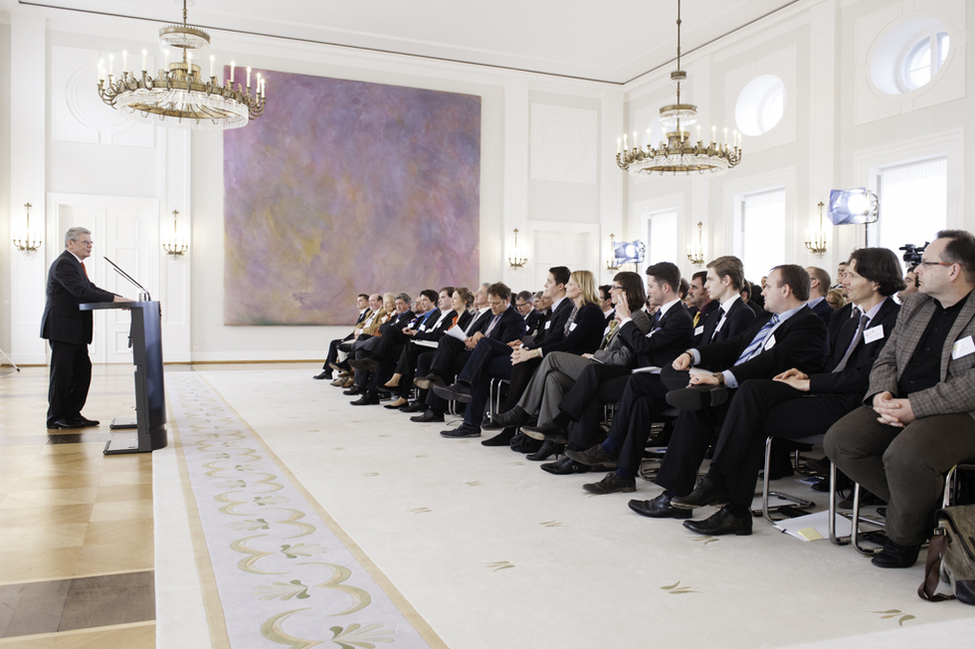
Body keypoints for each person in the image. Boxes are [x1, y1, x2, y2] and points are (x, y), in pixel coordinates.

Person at [672, 248, 903, 535]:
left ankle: (725, 493)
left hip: (856, 403)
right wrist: (807, 375)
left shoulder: (897, 318)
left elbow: (871, 374)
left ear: (876, 282)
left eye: (852, 275)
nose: (844, 280)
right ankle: (733, 508)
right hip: (823, 393)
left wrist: (812, 383)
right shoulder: (845, 315)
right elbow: (830, 364)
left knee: (749, 409)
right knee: (751, 400)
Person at [574, 265, 828, 499]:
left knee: (669, 395)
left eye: (769, 286)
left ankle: (662, 486)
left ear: (786, 290)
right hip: (728, 384)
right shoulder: (765, 319)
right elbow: (734, 345)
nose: (763, 290)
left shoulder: (809, 324)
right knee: (645, 397)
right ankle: (629, 476)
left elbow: (772, 361)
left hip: (754, 393)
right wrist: (693, 354)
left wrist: (719, 377)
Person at [826, 231, 975, 568]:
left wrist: (915, 407)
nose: (916, 269)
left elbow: (972, 384)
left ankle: (902, 538)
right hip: (900, 401)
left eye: (925, 262)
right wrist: (882, 394)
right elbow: (886, 358)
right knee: (842, 441)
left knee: (905, 456)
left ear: (953, 270)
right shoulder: (916, 305)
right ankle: (917, 512)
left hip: (962, 412)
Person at [482, 272, 649, 458]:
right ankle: (549, 440)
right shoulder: (603, 315)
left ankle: (521, 411)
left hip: (608, 371)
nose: (610, 291)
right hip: (593, 365)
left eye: (615, 287)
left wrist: (596, 355)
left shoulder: (636, 317)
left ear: (627, 291)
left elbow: (624, 357)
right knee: (553, 378)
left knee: (550, 358)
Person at [435, 271, 602, 442]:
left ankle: (509, 420)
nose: (565, 286)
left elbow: (565, 341)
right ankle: (473, 420)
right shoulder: (571, 309)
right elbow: (554, 338)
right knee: (483, 363)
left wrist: (529, 351)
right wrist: (524, 346)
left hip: (561, 361)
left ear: (580, 288)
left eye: (549, 281)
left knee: (489, 347)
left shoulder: (580, 310)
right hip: (549, 356)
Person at [41, 227, 131, 429]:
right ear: (70, 243)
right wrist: (116, 299)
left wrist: (119, 298)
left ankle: (72, 413)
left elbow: (91, 288)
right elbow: (80, 292)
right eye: (85, 242)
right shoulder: (64, 263)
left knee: (82, 371)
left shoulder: (76, 264)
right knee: (62, 375)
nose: (90, 246)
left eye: (91, 242)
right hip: (63, 328)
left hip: (75, 330)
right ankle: (56, 417)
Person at [314, 293, 372, 381]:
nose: (358, 303)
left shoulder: (368, 313)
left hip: (361, 339)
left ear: (367, 302)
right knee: (334, 342)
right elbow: (355, 331)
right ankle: (328, 372)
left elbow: (361, 331)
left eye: (360, 301)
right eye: (357, 301)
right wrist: (344, 339)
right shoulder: (363, 314)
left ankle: (342, 372)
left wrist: (344, 340)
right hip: (356, 337)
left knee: (338, 344)